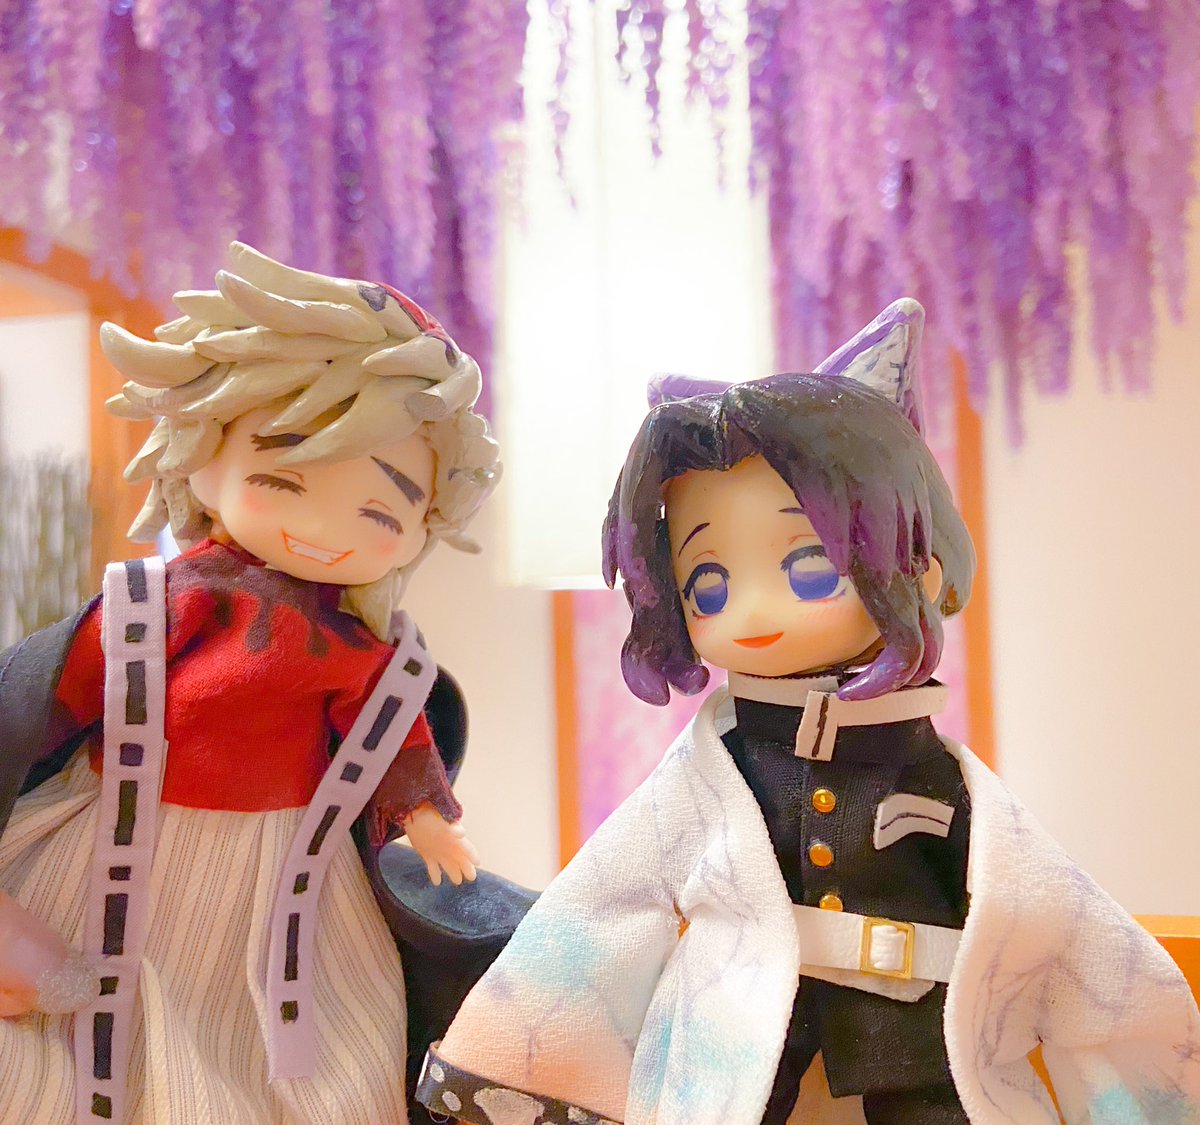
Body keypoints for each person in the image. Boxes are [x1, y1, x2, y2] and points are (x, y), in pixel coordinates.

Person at [417, 300, 1200, 1125]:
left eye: (810, 568)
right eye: (709, 583)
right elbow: (601, 905)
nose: (753, 610)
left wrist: (1142, 1090)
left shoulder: (942, 780)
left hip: (921, 1047)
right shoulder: (708, 778)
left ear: (921, 568)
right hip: (741, 1050)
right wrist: (508, 1064)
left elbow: (1066, 929)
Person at [0, 241, 499, 1124]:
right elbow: (56, 699)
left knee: (278, 1052)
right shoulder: (167, 604)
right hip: (124, 840)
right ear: (204, 458)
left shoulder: (353, 646)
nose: (324, 529)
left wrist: (425, 816)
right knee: (83, 1036)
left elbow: (389, 734)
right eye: (281, 480)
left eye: (378, 511)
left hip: (281, 875)